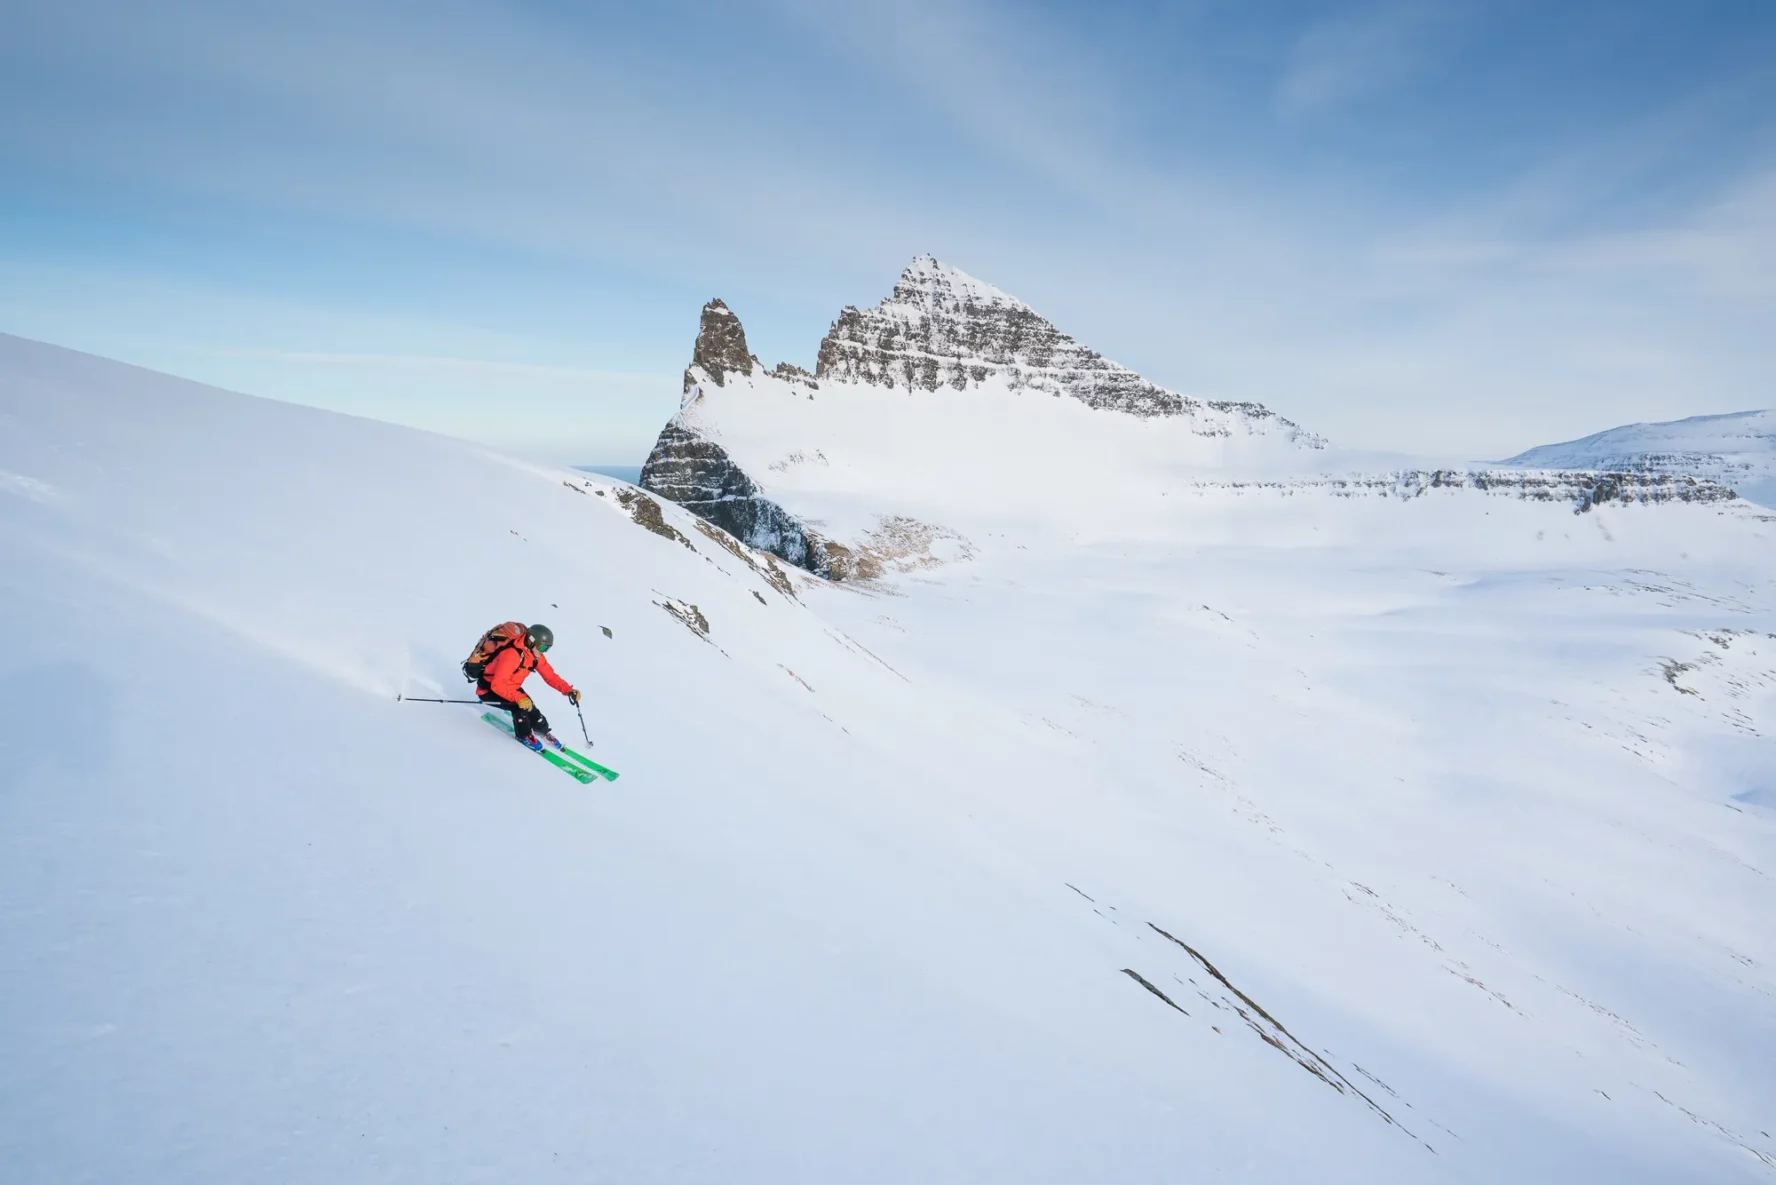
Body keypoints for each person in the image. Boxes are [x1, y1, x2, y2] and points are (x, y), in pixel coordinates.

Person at [472, 623, 581, 751]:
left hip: (510, 687)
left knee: (531, 707)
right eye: (542, 648)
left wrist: (568, 690)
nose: (543, 652)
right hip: (489, 689)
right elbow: (498, 684)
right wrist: (518, 698)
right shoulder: (511, 655)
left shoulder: (535, 656)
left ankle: (543, 731)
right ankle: (524, 736)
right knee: (520, 708)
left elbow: (550, 676)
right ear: (531, 641)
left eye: (547, 649)